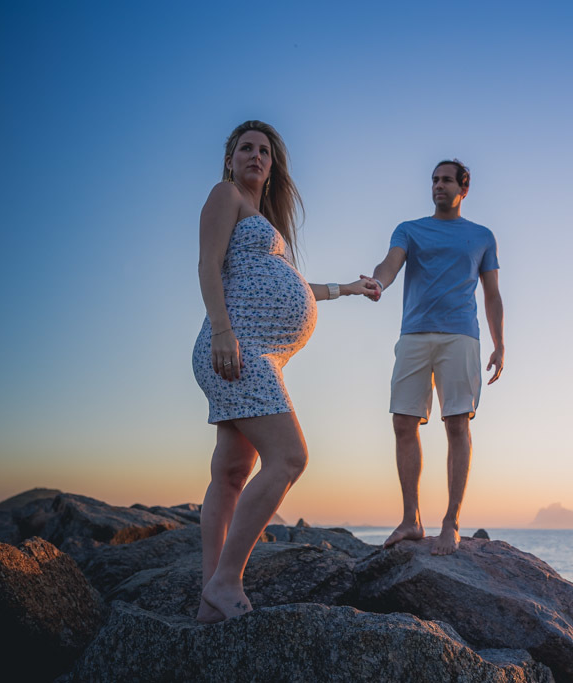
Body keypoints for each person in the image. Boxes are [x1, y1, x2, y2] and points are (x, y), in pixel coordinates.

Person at [192, 120, 376, 622]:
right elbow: (208, 265)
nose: (256, 156)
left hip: (258, 353)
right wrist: (223, 331)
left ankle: (211, 599)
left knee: (231, 473)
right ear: (230, 158)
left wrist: (347, 290)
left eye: (265, 152)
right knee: (290, 457)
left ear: (273, 167)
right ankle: (228, 579)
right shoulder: (225, 195)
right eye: (246, 148)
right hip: (238, 347)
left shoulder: (265, 224)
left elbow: (297, 287)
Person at [363, 159, 504, 555]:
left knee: (457, 425)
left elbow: (492, 294)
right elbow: (390, 264)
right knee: (403, 422)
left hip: (461, 337)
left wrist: (500, 343)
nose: (438, 186)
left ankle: (451, 522)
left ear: (464, 187)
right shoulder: (410, 229)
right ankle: (411, 520)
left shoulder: (482, 236)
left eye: (446, 180)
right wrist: (378, 282)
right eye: (434, 180)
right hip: (414, 335)